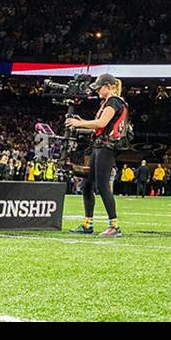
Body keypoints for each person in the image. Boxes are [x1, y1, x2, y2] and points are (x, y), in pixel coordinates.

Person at [66, 74, 128, 238]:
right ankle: (88, 224)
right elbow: (97, 127)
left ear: (109, 86)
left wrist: (79, 123)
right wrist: (82, 122)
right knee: (87, 185)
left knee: (102, 185)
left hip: (106, 147)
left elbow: (101, 124)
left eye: (99, 87)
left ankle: (114, 226)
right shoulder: (107, 103)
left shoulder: (113, 102)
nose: (97, 90)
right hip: (99, 146)